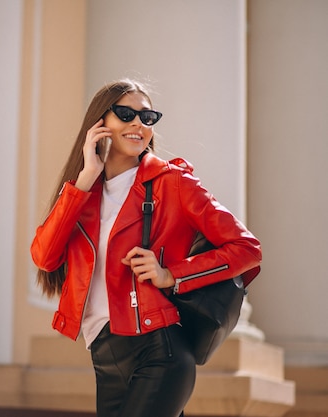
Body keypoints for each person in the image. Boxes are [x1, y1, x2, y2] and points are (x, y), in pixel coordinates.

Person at [30, 79, 262, 417]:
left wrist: (172, 275)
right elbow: (45, 257)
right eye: (125, 114)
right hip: (104, 356)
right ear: (99, 123)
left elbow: (246, 249)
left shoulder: (173, 183)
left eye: (147, 117)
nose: (138, 124)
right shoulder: (83, 196)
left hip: (159, 351)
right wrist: (84, 179)